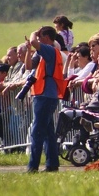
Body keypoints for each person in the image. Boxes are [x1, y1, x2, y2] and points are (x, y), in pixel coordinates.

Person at [25, 26, 66, 173]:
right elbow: (28, 66)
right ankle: (52, 164)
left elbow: (33, 40)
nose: (38, 39)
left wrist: (33, 34)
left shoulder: (49, 50)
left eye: (40, 36)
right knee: (48, 132)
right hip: (45, 95)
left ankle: (33, 166)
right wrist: (30, 49)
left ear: (46, 38)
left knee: (37, 132)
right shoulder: (46, 54)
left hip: (45, 96)